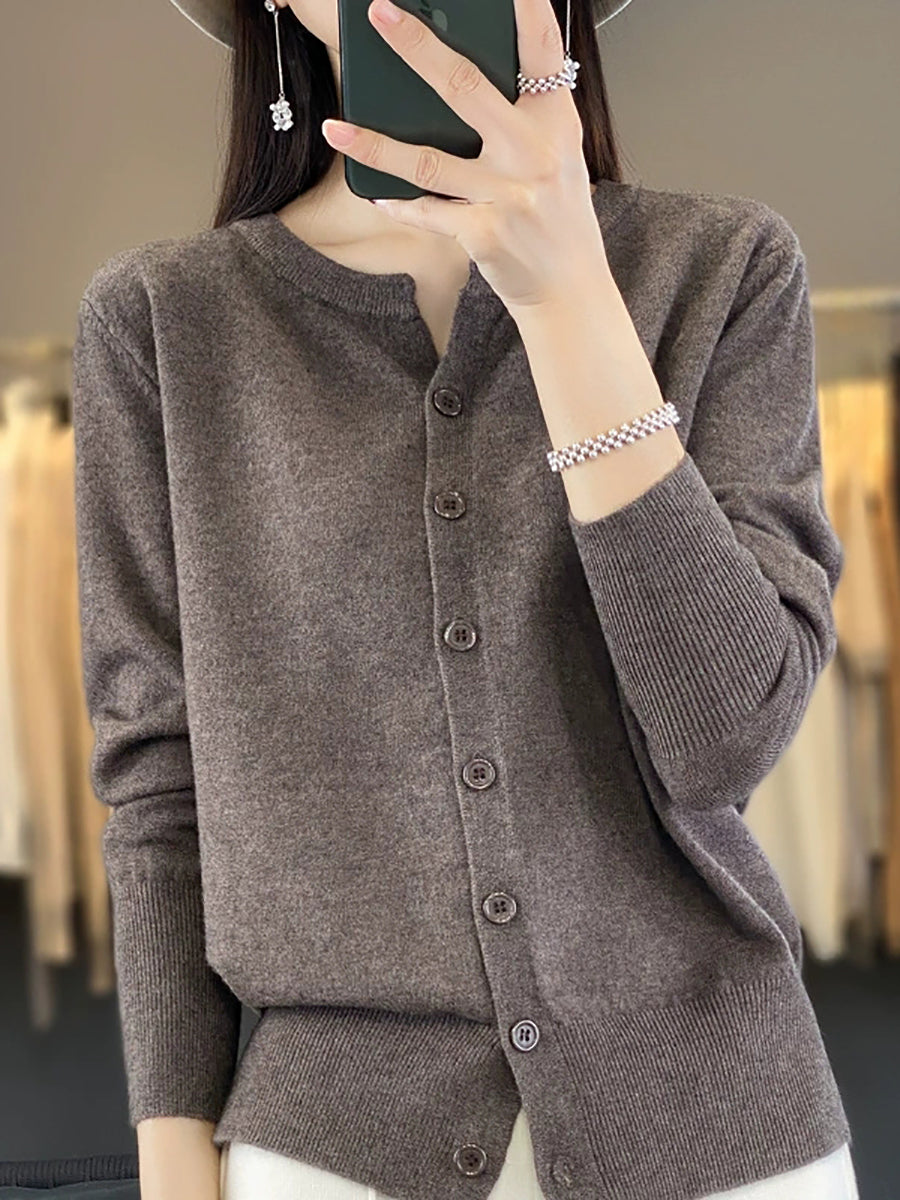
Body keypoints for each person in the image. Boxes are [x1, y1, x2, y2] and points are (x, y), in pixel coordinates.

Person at [71, 1, 862, 1198]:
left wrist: (566, 298)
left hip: (722, 1135)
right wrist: (174, 1165)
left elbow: (725, 737)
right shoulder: (162, 324)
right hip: (331, 1153)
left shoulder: (722, 268)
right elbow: (158, 782)